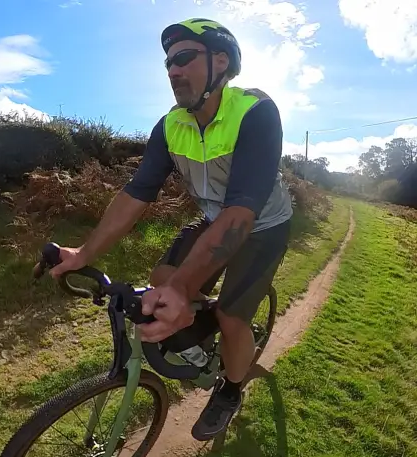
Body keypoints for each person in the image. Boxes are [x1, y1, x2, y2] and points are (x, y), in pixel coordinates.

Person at [49, 18, 293, 441]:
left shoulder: (255, 112)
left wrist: (183, 289)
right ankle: (203, 321)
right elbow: (136, 194)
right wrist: (83, 254)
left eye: (183, 58)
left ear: (221, 62)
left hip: (262, 224)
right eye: (167, 63)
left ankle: (231, 390)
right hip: (217, 218)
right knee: (161, 277)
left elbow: (241, 213)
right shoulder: (170, 126)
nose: (172, 70)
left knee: (233, 318)